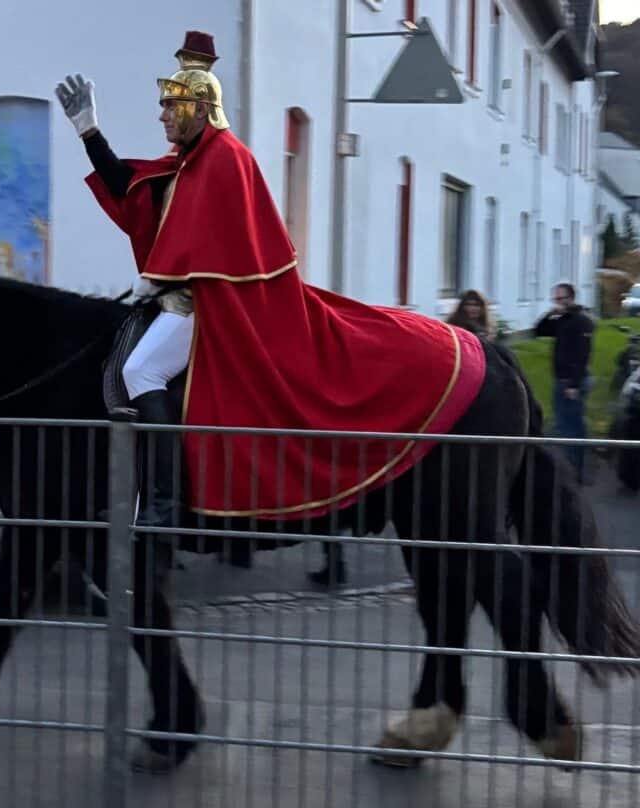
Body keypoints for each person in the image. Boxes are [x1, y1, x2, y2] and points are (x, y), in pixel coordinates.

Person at [57, 31, 486, 532]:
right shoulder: (190, 163)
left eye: (172, 107)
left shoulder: (225, 160)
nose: (163, 116)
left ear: (199, 108)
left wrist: (159, 278)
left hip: (207, 305)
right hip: (181, 297)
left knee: (141, 373)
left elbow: (223, 245)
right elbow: (134, 192)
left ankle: (163, 500)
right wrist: (89, 131)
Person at [534, 282, 594, 482]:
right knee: (566, 423)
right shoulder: (562, 320)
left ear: (571, 298)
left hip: (571, 381)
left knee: (571, 426)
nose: (558, 303)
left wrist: (574, 385)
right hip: (561, 380)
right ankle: (573, 466)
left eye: (562, 299)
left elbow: (582, 355)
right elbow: (539, 330)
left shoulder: (581, 321)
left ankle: (576, 470)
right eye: (555, 299)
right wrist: (551, 313)